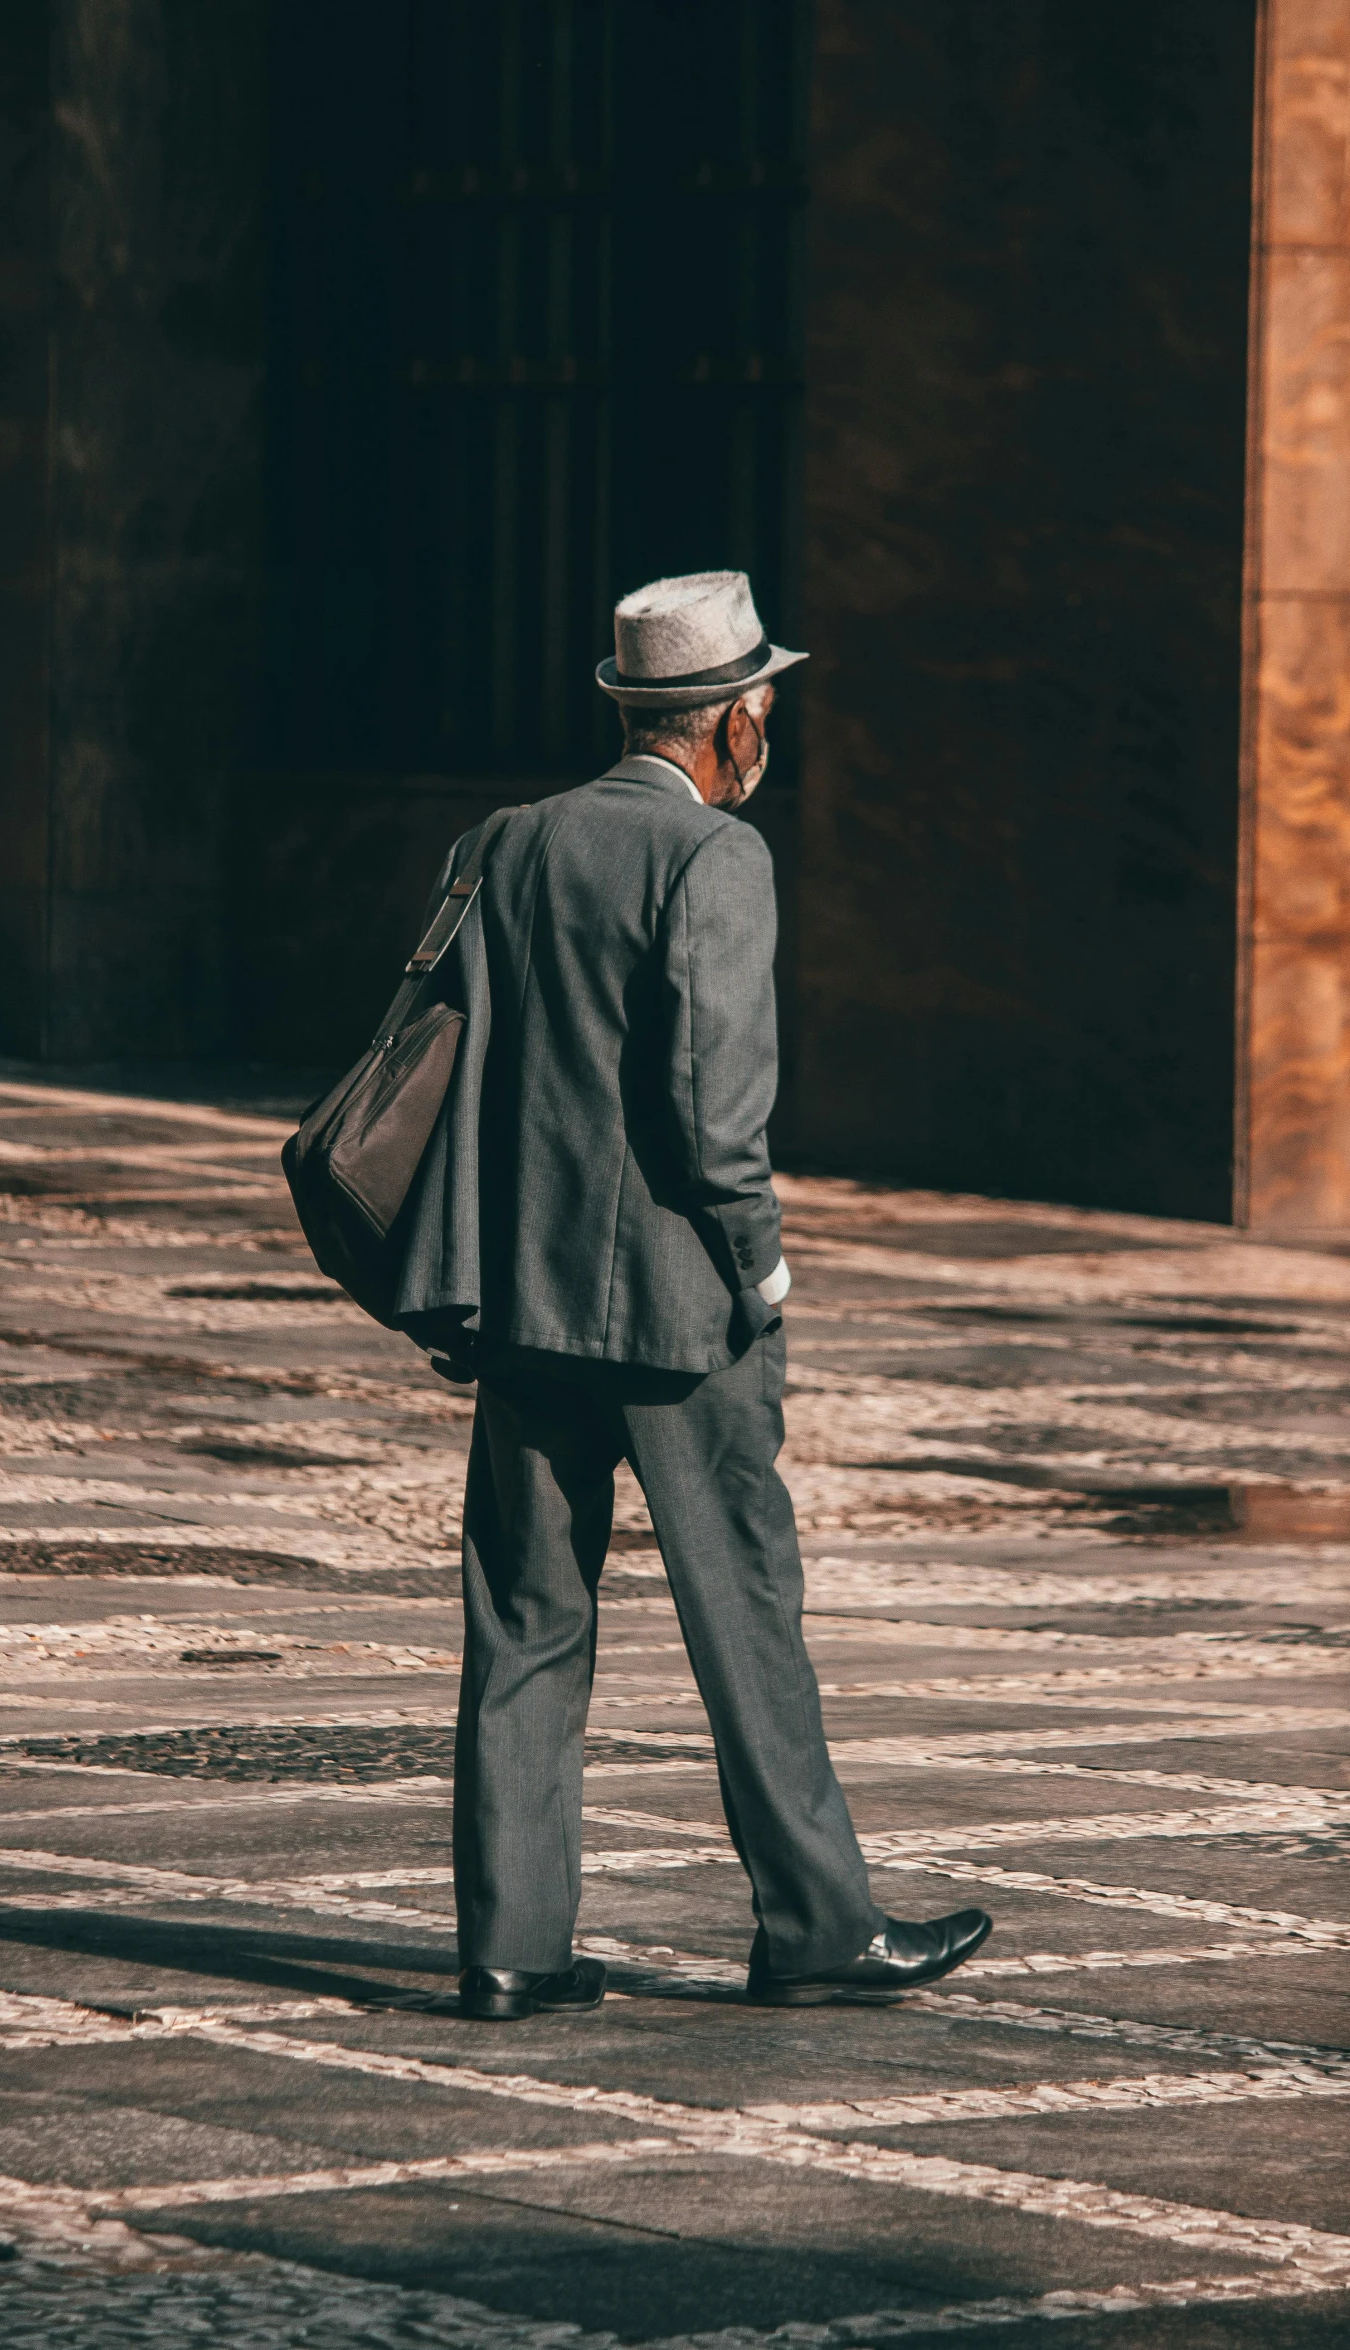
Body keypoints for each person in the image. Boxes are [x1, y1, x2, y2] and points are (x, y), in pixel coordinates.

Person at [392, 571, 991, 2021]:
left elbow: (451, 1065)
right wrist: (761, 1264)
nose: (763, 733)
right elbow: (715, 1113)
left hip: (525, 1302)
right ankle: (815, 1923)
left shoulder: (509, 843)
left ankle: (509, 1946)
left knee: (524, 1619)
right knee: (746, 1611)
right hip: (677, 1314)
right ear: (729, 722)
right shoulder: (714, 860)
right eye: (760, 711)